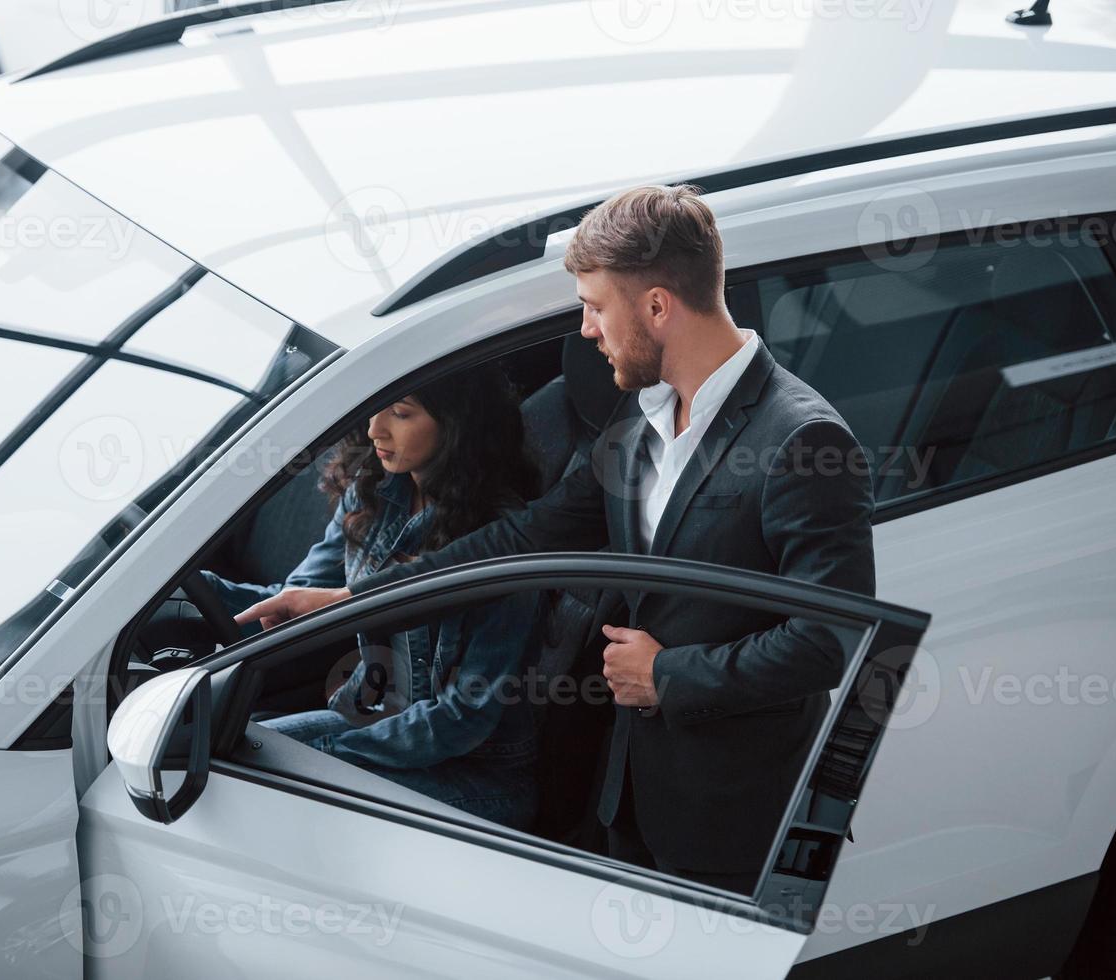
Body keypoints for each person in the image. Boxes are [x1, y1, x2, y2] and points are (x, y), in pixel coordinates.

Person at [236, 184, 877, 893]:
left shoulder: (802, 440)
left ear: (657, 306)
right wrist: (353, 600)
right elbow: (521, 539)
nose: (585, 329)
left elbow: (829, 639)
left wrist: (666, 675)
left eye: (596, 306)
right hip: (626, 791)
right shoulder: (638, 419)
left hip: (728, 811)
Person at [203, 363, 545, 830]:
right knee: (222, 754)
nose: (374, 428)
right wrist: (187, 589)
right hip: (375, 726)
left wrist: (327, 752)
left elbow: (461, 718)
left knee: (245, 778)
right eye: (376, 407)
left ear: (457, 425)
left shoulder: (500, 540)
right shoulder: (376, 490)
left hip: (472, 773)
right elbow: (292, 599)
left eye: (400, 414)